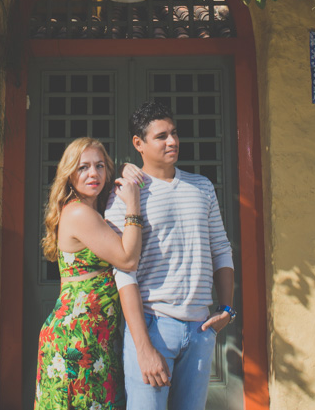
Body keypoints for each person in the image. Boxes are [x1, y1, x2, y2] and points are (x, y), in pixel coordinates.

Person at [104, 101, 236, 410]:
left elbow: (221, 247)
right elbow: (123, 271)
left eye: (174, 133)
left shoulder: (202, 187)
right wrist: (142, 345)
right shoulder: (126, 193)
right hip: (153, 325)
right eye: (161, 136)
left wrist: (227, 309)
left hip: (201, 328)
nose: (172, 141)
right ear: (139, 144)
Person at [36, 137, 144, 410]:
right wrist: (133, 206)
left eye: (99, 166)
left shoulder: (93, 210)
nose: (93, 173)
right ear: (69, 175)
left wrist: (127, 172)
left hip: (96, 335)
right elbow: (128, 259)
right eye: (83, 167)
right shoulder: (79, 213)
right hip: (77, 338)